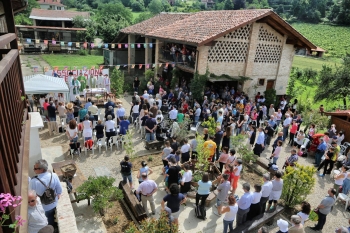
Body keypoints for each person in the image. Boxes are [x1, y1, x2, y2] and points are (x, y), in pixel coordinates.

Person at [29, 160, 62, 228]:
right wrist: (58, 195)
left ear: (41, 170)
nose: (33, 169)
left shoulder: (33, 181)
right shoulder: (54, 175)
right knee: (53, 214)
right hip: (54, 202)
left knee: (49, 218)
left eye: (35, 168)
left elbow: (30, 195)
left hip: (44, 206)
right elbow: (59, 189)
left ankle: (51, 228)